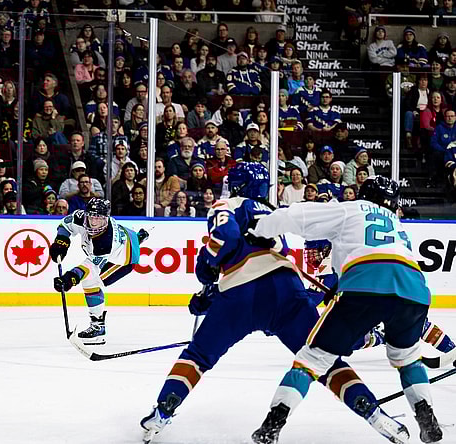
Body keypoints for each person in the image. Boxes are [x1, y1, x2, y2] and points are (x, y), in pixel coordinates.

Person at [139, 165, 406, 444]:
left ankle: (161, 413)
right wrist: (213, 290)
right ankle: (375, 413)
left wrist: (206, 266)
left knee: (198, 357)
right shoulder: (271, 212)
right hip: (286, 291)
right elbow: (273, 256)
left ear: (238, 185)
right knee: (322, 360)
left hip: (240, 295)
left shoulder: (227, 204)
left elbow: (227, 238)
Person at [250, 176, 443, 444]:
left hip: (365, 285)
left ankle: (273, 423)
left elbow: (299, 216)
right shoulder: (398, 225)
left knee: (311, 359)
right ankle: (425, 411)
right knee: (407, 358)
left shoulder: (351, 208)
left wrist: (259, 228)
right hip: (414, 290)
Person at [50, 199, 147, 345]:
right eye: (92, 217)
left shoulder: (106, 242)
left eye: (100, 218)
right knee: (90, 280)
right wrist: (61, 242)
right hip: (125, 237)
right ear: (86, 214)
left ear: (106, 219)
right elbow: (66, 224)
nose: (94, 222)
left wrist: (70, 278)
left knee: (92, 280)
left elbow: (91, 267)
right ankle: (138, 238)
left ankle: (98, 327)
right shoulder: (79, 217)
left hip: (124, 258)